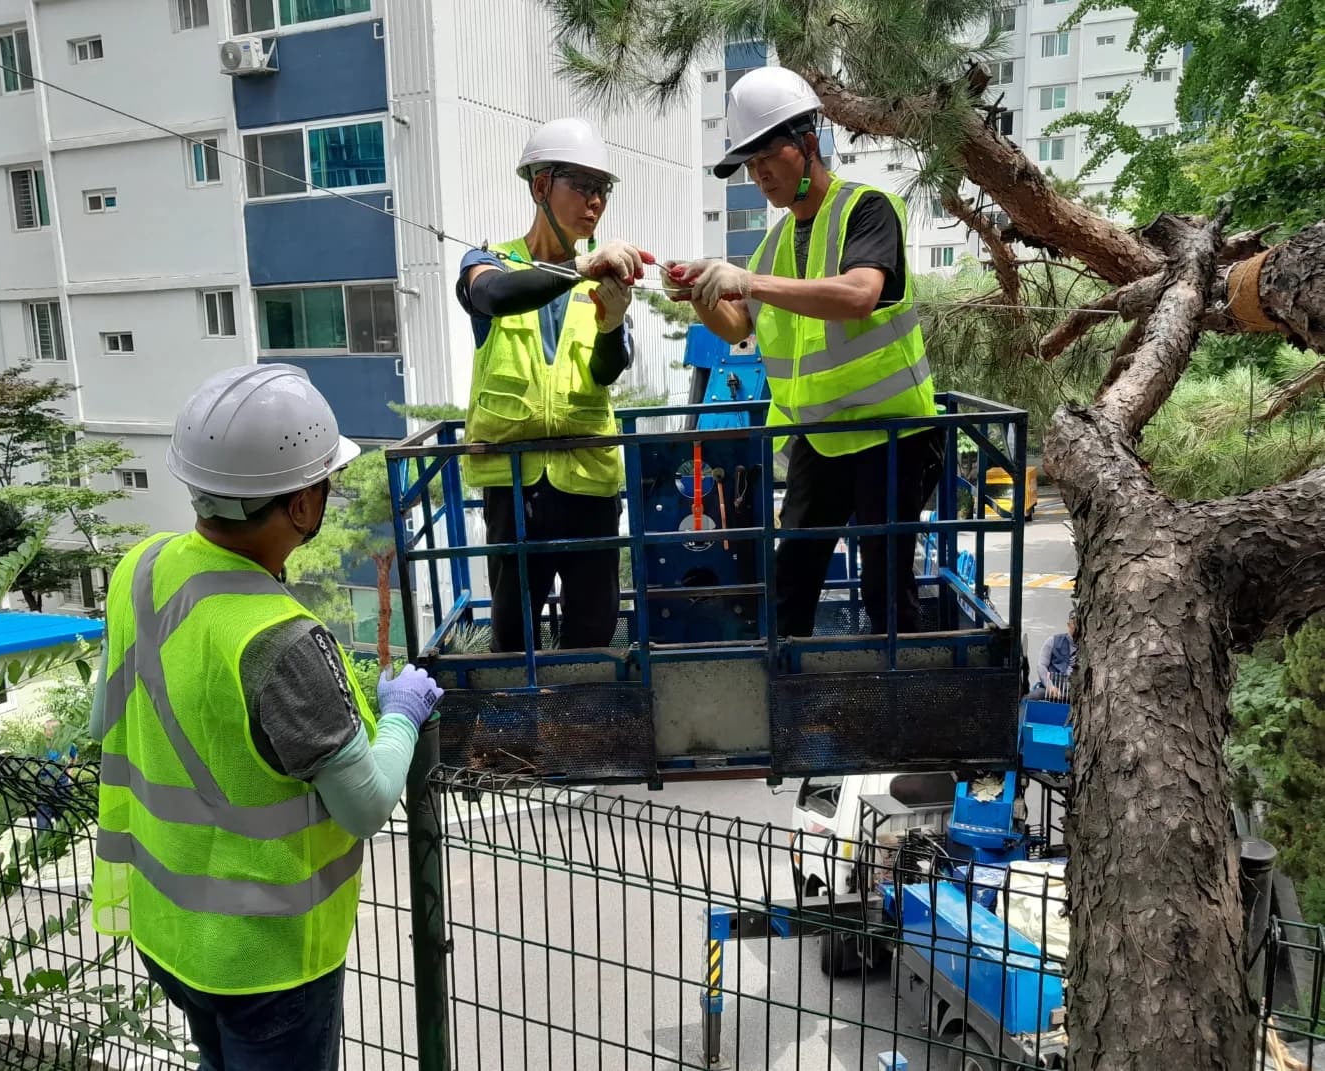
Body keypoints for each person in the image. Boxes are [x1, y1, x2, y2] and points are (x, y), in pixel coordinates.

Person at [89, 365, 445, 1071]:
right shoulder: (282, 642)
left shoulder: (141, 568)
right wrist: (402, 712)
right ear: (301, 506)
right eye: (324, 483)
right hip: (268, 967)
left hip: (170, 936)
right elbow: (367, 804)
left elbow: (106, 716)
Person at [664, 68, 942, 638]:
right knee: (791, 581)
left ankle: (901, 709)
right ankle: (790, 709)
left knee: (887, 590)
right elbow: (738, 323)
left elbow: (860, 295)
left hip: (889, 437)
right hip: (819, 438)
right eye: (749, 164)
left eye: (767, 157)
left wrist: (749, 282)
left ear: (808, 145)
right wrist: (698, 294)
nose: (758, 175)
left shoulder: (867, 210)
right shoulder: (771, 247)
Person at [457, 117, 652, 653]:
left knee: (591, 637)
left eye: (603, 190)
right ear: (541, 186)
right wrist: (577, 267)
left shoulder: (603, 276)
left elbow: (605, 372)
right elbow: (493, 296)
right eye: (582, 186)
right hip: (513, 489)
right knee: (514, 640)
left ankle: (582, 736)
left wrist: (612, 325)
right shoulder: (487, 261)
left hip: (588, 484)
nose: (595, 203)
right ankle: (525, 737)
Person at [1029, 608, 1078, 701]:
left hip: (1077, 694)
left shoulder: (1089, 646)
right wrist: (1050, 686)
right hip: (1052, 688)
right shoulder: (1053, 641)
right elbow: (1041, 666)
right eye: (1075, 623)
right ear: (1069, 625)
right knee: (1033, 697)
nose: (1078, 627)